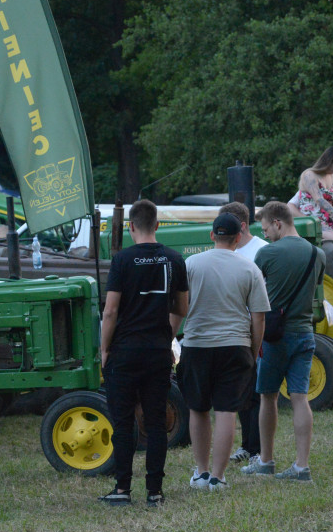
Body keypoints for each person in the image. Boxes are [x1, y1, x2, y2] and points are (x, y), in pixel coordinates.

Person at [98, 199, 188, 507]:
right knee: (155, 421)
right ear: (158, 225)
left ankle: (122, 489)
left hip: (124, 352)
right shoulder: (174, 259)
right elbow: (182, 309)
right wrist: (166, 335)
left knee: (123, 422)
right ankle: (155, 492)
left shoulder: (122, 260)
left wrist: (104, 349)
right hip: (157, 352)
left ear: (131, 226)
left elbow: (110, 311)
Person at [178, 213, 269, 492]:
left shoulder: (190, 264)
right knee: (227, 411)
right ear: (239, 238)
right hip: (235, 346)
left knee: (198, 409)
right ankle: (218, 477)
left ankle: (201, 473)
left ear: (211, 236)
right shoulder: (249, 269)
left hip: (196, 345)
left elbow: (179, 307)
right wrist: (253, 351)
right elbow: (258, 318)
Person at [242, 202, 325, 482]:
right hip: (305, 333)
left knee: (268, 396)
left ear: (277, 223)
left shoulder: (267, 254)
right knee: (300, 398)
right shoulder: (318, 254)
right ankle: (302, 467)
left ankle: (266, 461)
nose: (265, 236)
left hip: (275, 336)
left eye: (266, 229)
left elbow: (253, 293)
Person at [219, 201, 267, 465]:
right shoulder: (227, 252)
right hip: (233, 330)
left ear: (243, 227)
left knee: (256, 391)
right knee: (242, 392)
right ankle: (248, 446)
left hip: (254, 327)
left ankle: (258, 448)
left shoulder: (262, 250)